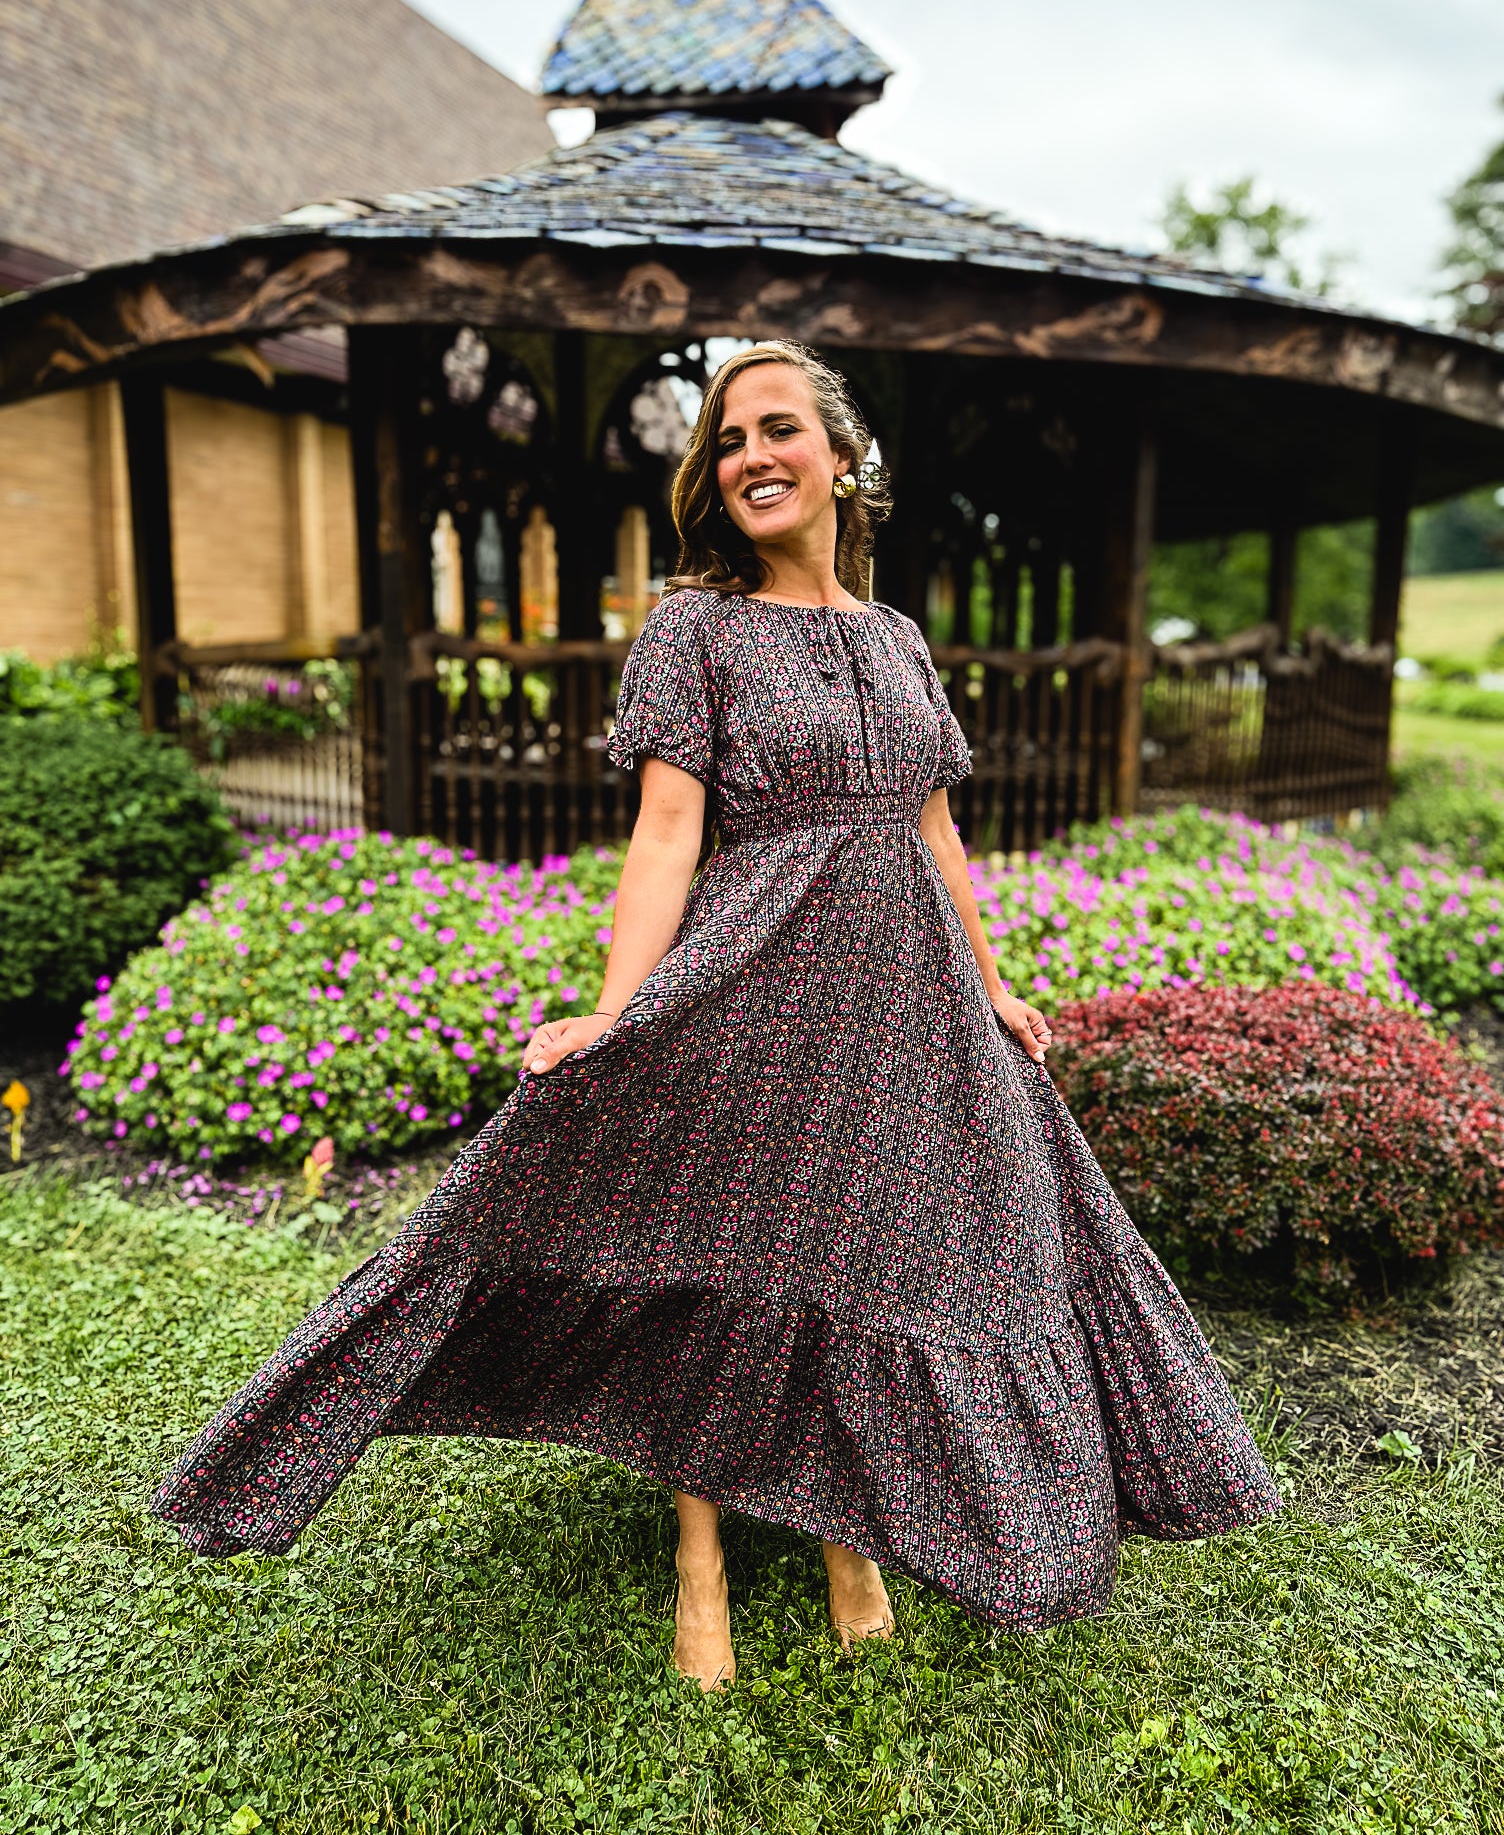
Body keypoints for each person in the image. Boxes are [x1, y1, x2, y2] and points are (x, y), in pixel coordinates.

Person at [148, 340, 1280, 1691]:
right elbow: (667, 829)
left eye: (779, 428)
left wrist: (990, 982)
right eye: (730, 436)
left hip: (906, 1005)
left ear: (841, 458)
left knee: (877, 1249)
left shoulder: (900, 638)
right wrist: (613, 1014)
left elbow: (936, 828)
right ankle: (701, 1551)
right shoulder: (698, 628)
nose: (753, 452)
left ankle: (842, 1529)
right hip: (752, 982)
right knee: (723, 1262)